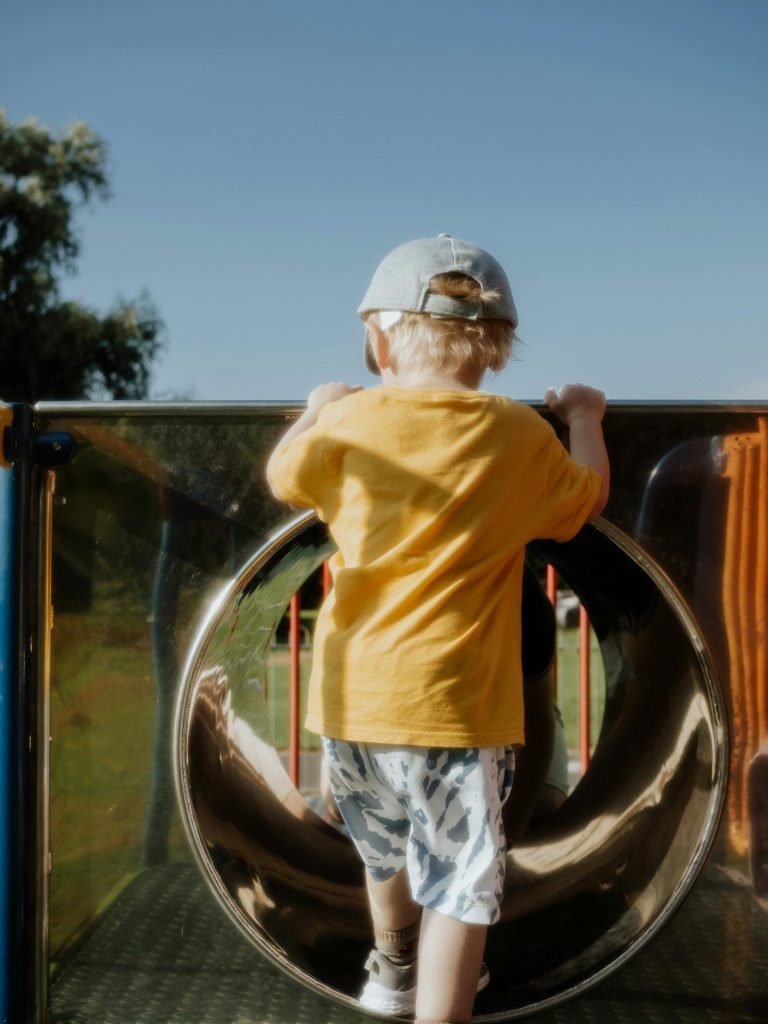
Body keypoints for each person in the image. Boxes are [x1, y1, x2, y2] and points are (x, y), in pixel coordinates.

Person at [267, 235, 609, 1024]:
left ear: (378, 341)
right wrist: (584, 417)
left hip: (351, 705)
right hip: (457, 710)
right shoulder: (517, 437)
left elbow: (283, 479)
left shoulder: (349, 422)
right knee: (460, 882)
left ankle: (390, 968)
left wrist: (318, 409)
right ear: (495, 350)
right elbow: (585, 501)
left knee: (380, 850)